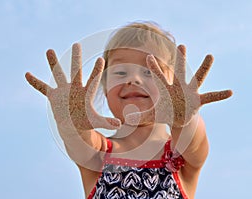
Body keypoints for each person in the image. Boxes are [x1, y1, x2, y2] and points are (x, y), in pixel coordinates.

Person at [25, 21, 233, 199]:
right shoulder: (98, 156)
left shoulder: (179, 155)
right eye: (121, 71)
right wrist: (71, 123)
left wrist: (184, 119)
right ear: (104, 88)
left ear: (173, 83)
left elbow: (194, 140)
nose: (134, 79)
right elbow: (78, 141)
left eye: (150, 71)